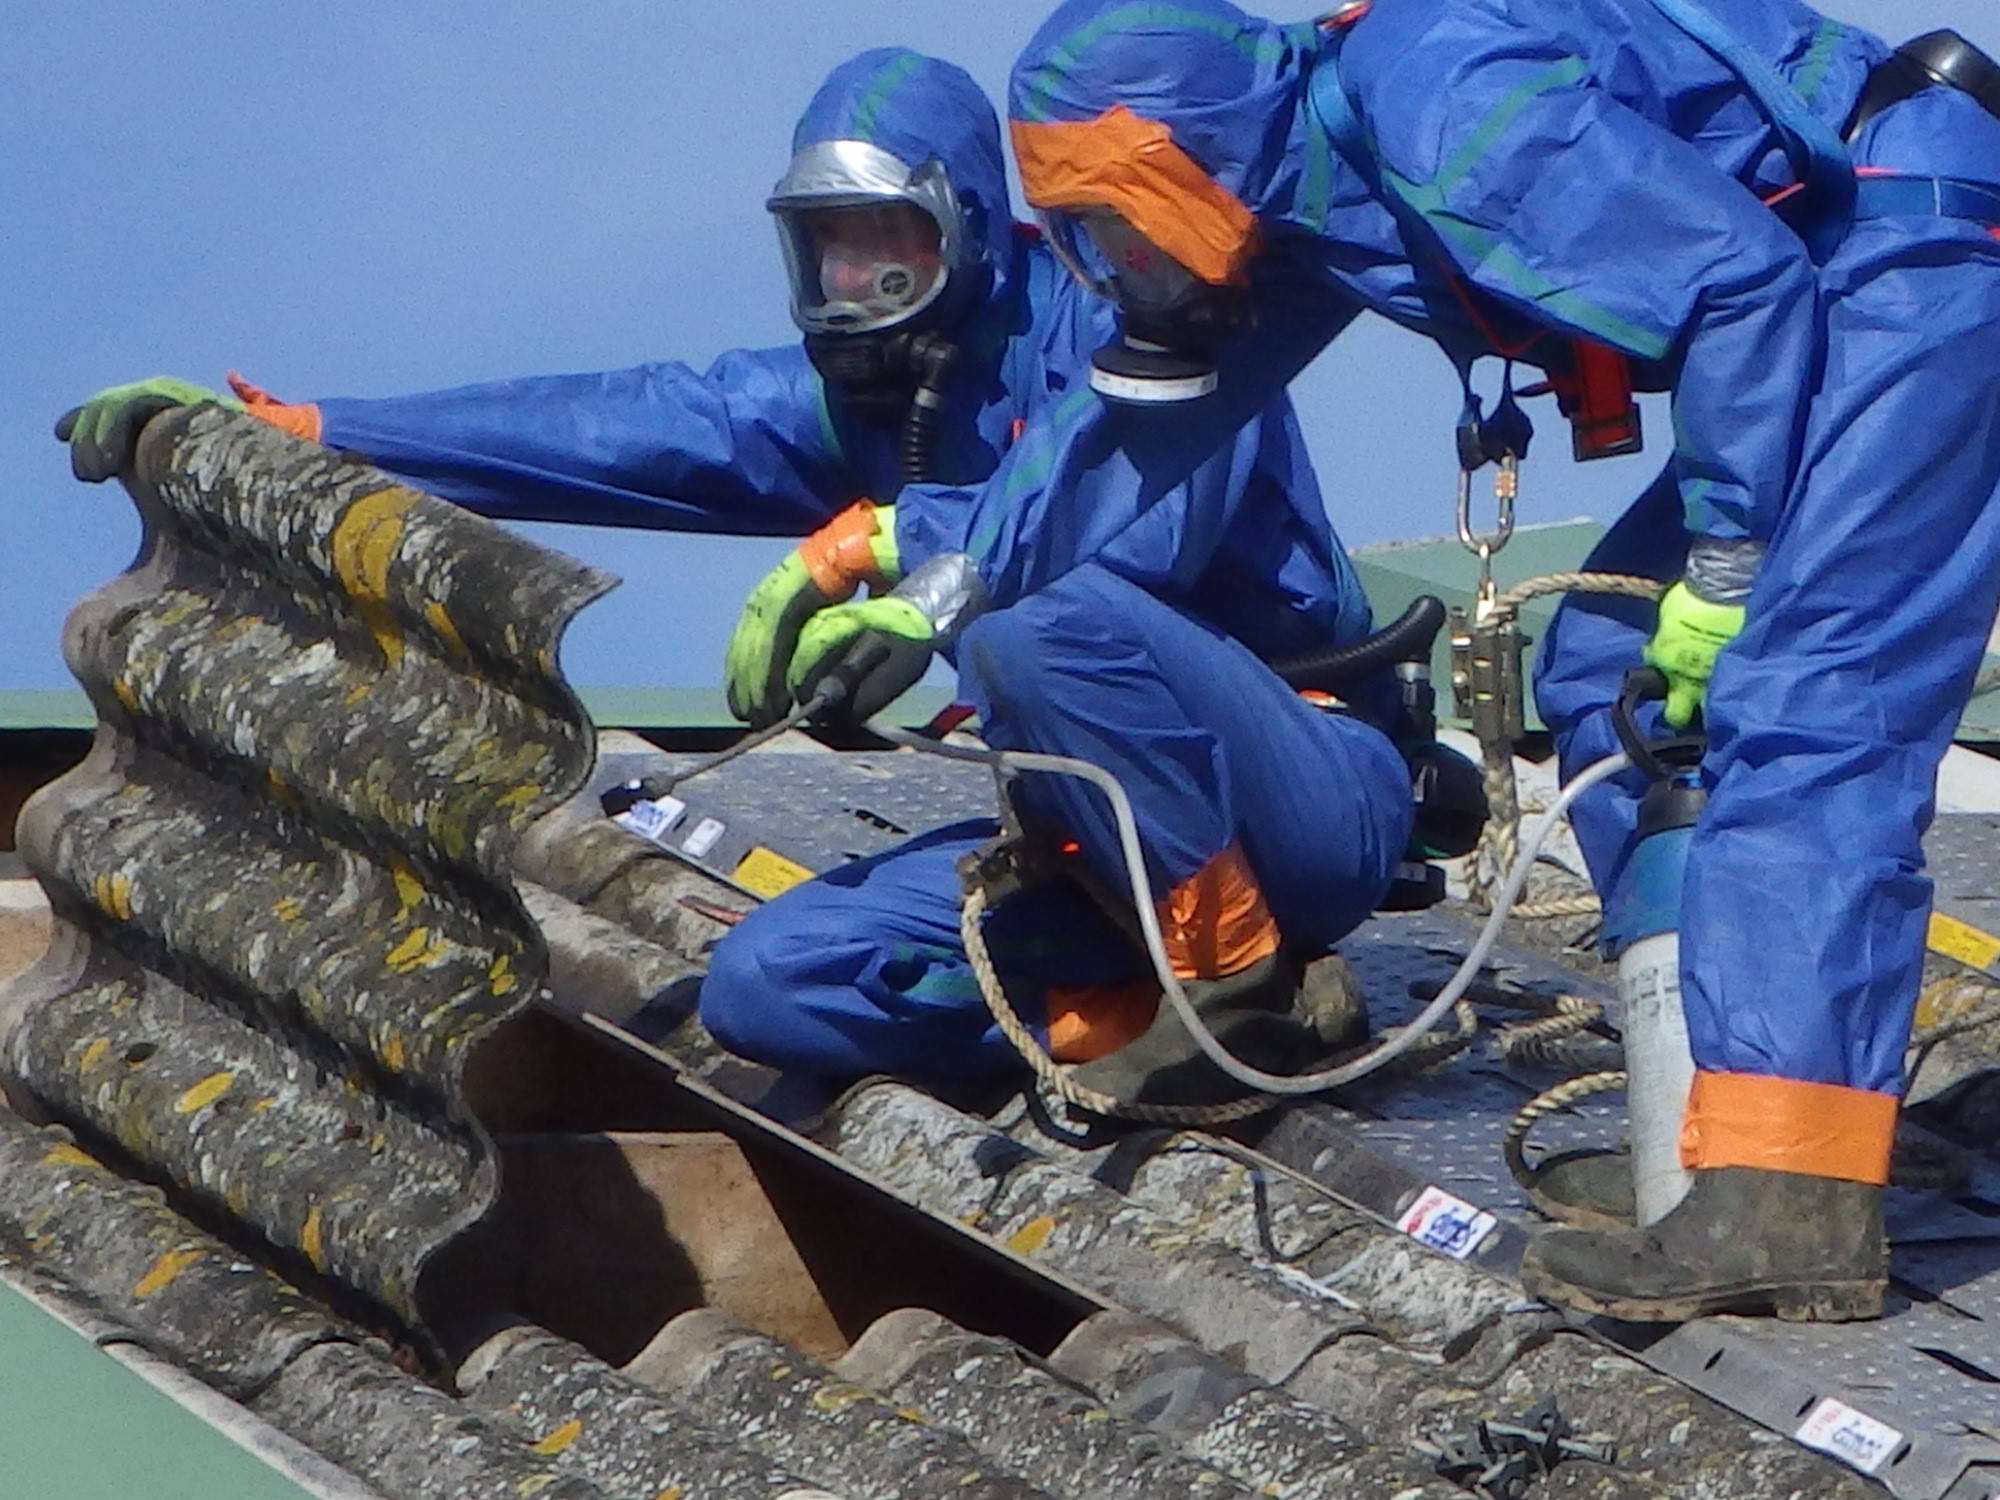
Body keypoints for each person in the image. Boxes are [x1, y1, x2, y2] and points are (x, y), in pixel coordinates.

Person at [55, 49, 1414, 1103]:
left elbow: (1126, 541)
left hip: (1298, 786)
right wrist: (316, 435)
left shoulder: (1148, 332)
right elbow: (624, 420)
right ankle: (1108, 981)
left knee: (1030, 614)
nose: (853, 282)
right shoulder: (859, 400)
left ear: (973, 231)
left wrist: (889, 544)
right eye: (825, 248)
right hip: (1092, 841)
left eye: (890, 245)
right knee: (770, 988)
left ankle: (1234, 981)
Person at [932, 0, 2000, 1318]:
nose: (1118, 268)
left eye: (1117, 220)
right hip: (1850, 272)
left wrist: (1728, 572)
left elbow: (1739, 284)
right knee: (1611, 664)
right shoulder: (1307, 186)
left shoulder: (1434, 90)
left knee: (1800, 696)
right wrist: (945, 576)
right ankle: (1707, 1148)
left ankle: (1793, 1192)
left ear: (1187, 150)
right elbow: (1132, 433)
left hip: (1924, 253)